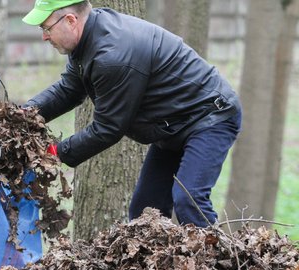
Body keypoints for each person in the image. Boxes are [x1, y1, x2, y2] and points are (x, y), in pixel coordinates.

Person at [22, 0, 242, 227]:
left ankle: (218, 261)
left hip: (209, 116)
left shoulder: (112, 55)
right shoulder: (88, 40)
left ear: (70, 20)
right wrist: (22, 116)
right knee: (146, 211)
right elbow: (68, 90)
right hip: (172, 124)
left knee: (189, 200)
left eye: (46, 28)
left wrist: (53, 152)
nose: (44, 37)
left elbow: (107, 129)